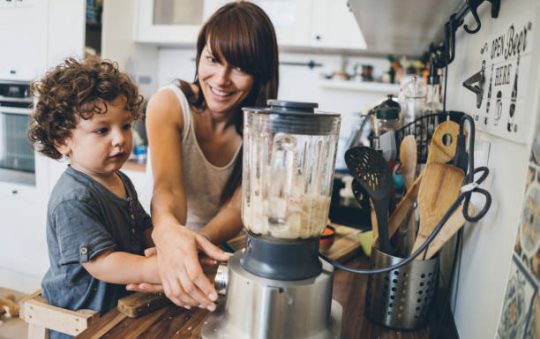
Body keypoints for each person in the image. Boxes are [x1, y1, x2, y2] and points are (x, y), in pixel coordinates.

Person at [138, 1, 279, 311]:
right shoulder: (168, 104)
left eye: (240, 67)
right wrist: (170, 236)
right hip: (165, 245)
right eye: (213, 59)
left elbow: (238, 206)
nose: (221, 79)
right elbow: (168, 190)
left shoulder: (265, 128)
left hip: (219, 252)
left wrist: (196, 246)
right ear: (199, 54)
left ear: (260, 74)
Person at [28, 57, 157, 338]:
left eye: (124, 126)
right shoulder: (73, 199)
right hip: (81, 321)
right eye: (102, 130)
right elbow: (101, 262)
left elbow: (144, 228)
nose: (120, 139)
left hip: (119, 306)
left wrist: (168, 248)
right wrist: (152, 268)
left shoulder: (121, 179)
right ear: (62, 141)